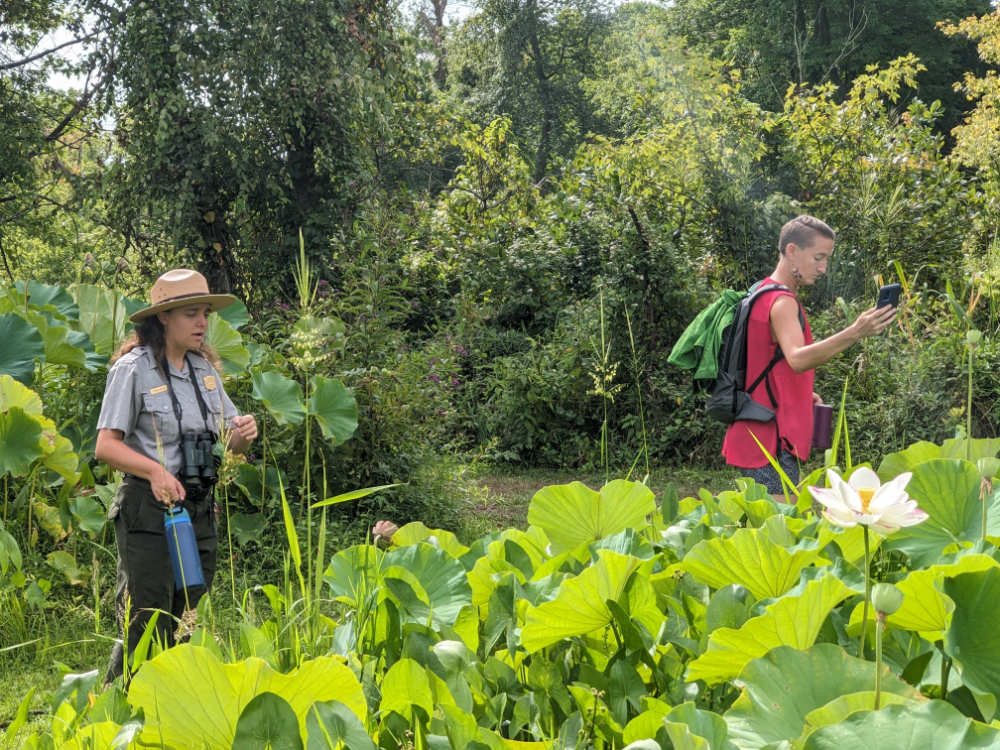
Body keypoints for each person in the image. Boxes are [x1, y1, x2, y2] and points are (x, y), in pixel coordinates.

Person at [95, 268, 258, 684]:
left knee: (186, 611)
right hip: (148, 509)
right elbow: (106, 446)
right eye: (191, 314)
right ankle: (123, 709)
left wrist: (243, 435)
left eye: (204, 313)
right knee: (146, 614)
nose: (202, 323)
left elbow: (230, 443)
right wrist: (153, 471)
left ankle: (167, 703)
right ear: (163, 317)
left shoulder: (205, 371)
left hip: (199, 507)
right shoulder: (133, 369)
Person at [722, 215, 896, 495]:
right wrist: (855, 331)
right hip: (770, 439)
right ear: (792, 251)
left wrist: (798, 393)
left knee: (761, 530)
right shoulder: (782, 302)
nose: (823, 268)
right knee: (781, 532)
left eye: (826, 259)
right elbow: (798, 359)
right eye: (818, 257)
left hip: (757, 428)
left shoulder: (761, 292)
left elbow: (765, 362)